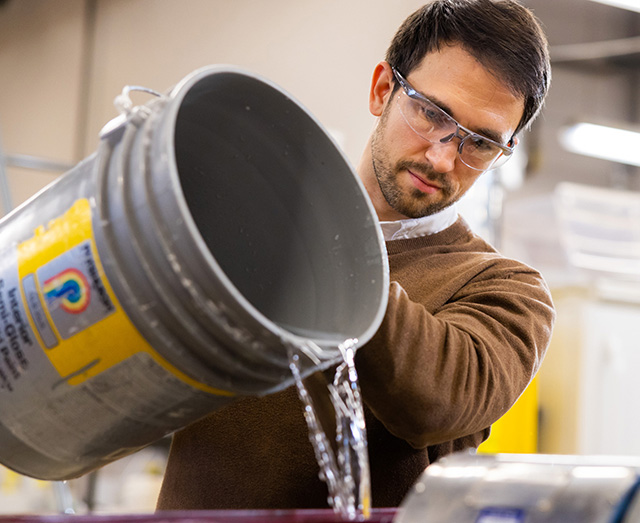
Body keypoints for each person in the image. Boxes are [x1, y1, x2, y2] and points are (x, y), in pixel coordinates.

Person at [156, 0, 554, 510]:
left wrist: (318, 235)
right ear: (383, 90)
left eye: (478, 143)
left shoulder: (506, 291)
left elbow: (437, 400)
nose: (441, 157)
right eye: (432, 114)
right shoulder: (256, 230)